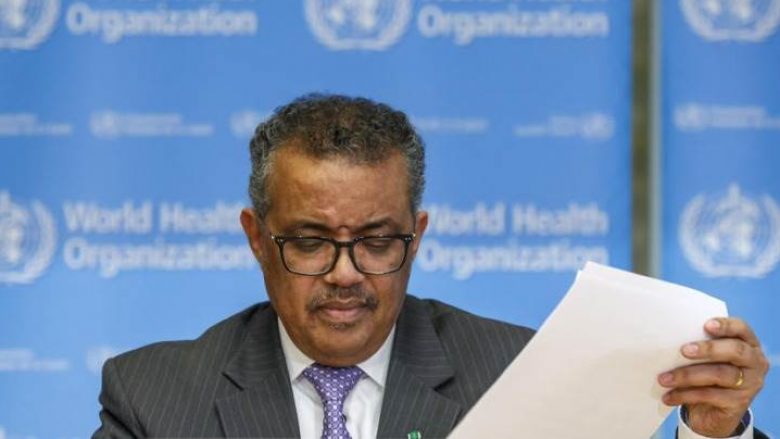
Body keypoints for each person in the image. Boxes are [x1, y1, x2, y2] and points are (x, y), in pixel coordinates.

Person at [94, 94, 769, 438]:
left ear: (416, 237)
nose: (345, 274)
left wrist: (714, 432)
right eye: (311, 241)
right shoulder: (155, 397)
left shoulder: (520, 371)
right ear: (256, 238)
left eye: (376, 241)